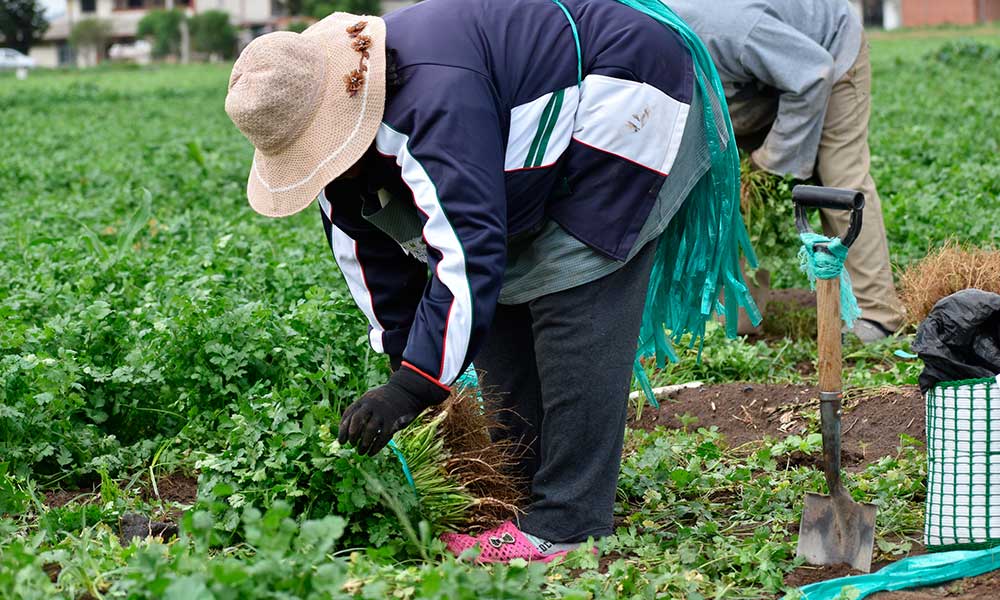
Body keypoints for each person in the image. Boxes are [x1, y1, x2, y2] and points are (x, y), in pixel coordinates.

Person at [224, 0, 743, 563]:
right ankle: (519, 489)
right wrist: (408, 369)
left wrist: (415, 386)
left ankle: (569, 522)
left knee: (572, 286)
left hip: (622, 80)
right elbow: (374, 271)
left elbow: (468, 254)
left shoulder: (430, 104)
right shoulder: (337, 161)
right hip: (518, 124)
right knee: (497, 307)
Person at [668, 0, 907, 342]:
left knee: (838, 180)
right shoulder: (648, 42)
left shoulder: (727, 30)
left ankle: (876, 315)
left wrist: (768, 164)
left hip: (825, 53)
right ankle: (735, 313)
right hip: (757, 76)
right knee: (714, 184)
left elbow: (813, 74)